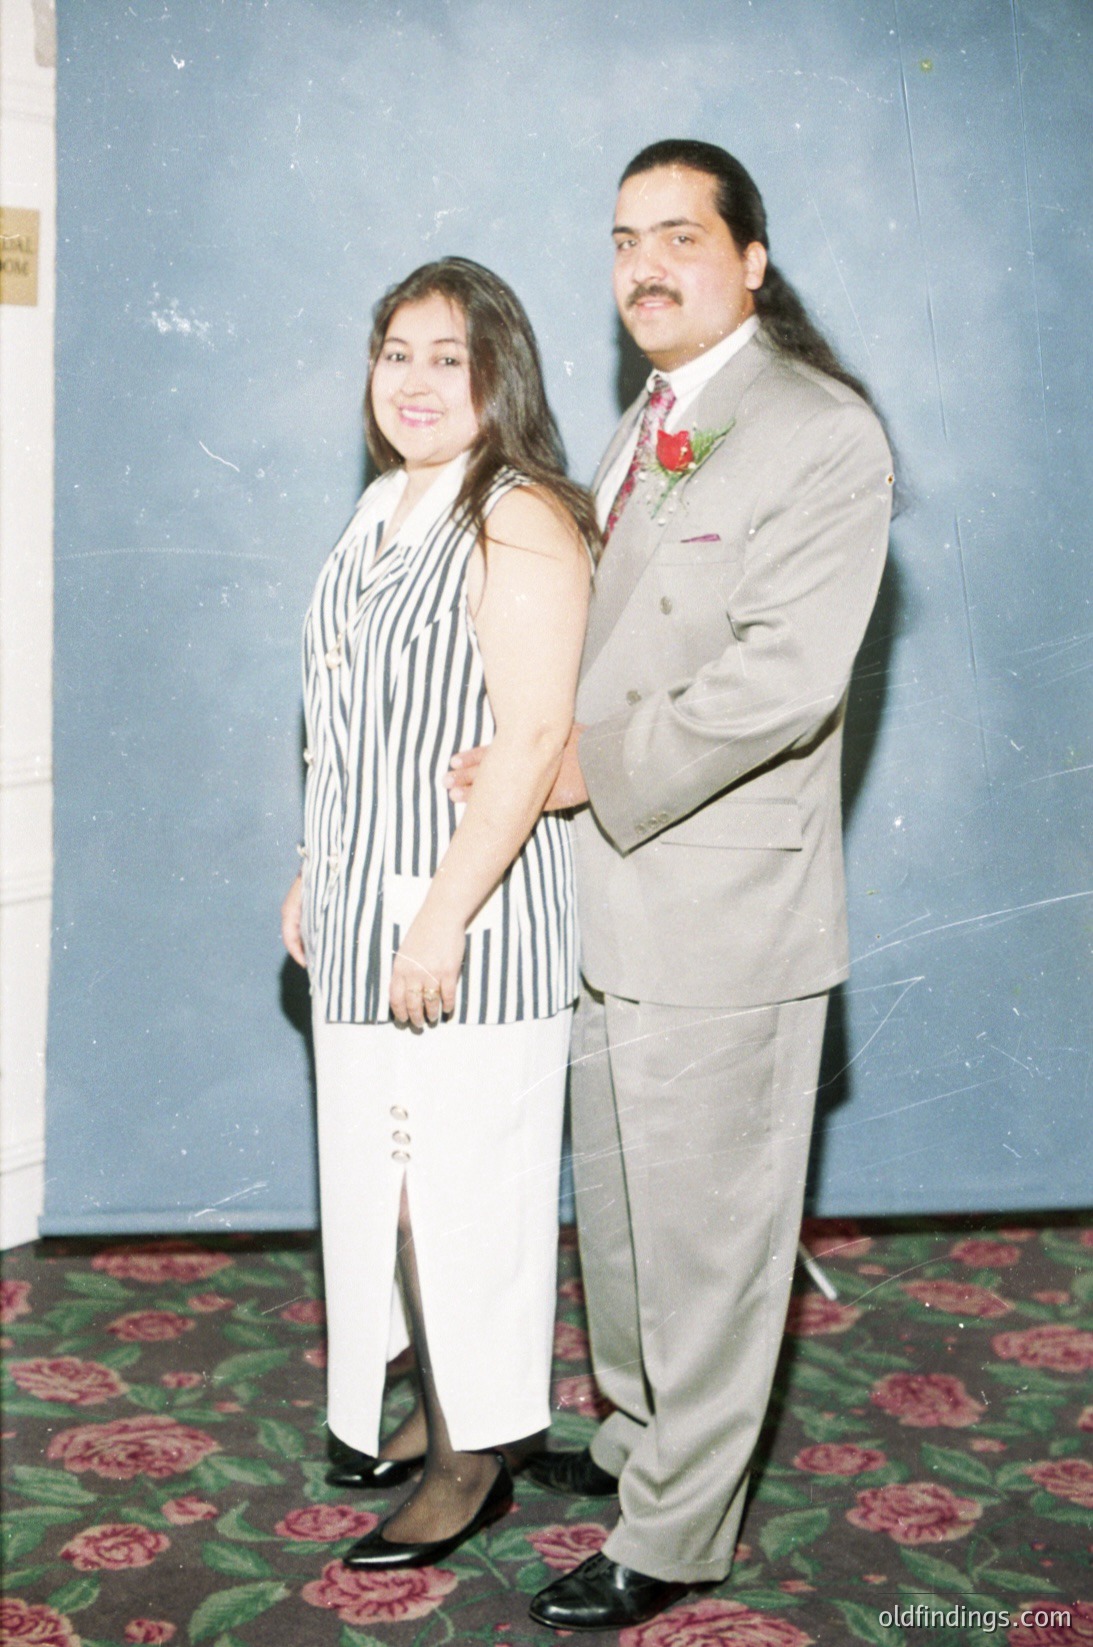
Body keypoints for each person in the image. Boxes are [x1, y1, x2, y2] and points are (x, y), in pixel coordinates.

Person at [447, 140, 894, 1630]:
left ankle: (678, 1536)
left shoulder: (818, 431)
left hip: (723, 918)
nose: (644, 265)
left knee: (707, 1242)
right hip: (612, 902)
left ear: (751, 262)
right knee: (631, 1227)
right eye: (624, 240)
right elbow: (610, 638)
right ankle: (641, 1444)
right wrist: (521, 755)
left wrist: (585, 767)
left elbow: (779, 681)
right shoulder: (657, 417)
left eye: (679, 237)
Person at [281, 256, 593, 1570]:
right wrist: (315, 865)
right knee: (394, 1185)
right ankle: (443, 1401)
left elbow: (528, 742)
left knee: (467, 1190)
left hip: (469, 918)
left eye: (446, 358)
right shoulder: (383, 507)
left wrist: (440, 916)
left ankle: (477, 1458)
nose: (413, 381)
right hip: (367, 907)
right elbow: (344, 727)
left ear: (497, 377)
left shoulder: (516, 515)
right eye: (394, 352)